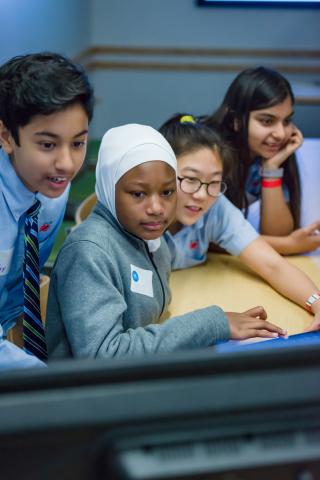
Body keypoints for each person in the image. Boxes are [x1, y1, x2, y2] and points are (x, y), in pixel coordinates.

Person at [45, 124, 286, 360]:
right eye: (138, 194)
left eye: (167, 192)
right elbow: (105, 356)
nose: (157, 208)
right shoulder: (89, 252)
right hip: (91, 391)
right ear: (109, 188)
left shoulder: (148, 235)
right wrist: (211, 324)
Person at [159, 114, 320, 332]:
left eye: (214, 182)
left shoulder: (215, 207)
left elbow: (272, 265)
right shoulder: (137, 217)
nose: (201, 195)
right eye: (190, 179)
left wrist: (316, 302)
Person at [0, 52, 94, 369]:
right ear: (6, 137)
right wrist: (44, 380)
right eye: (48, 145)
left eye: (78, 143)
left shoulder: (51, 186)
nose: (66, 164)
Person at [204, 66, 320, 251]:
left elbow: (277, 233)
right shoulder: (206, 152)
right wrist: (288, 245)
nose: (281, 133)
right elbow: (203, 236)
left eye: (287, 121)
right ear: (235, 120)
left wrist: (271, 169)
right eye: (267, 121)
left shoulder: (266, 158)